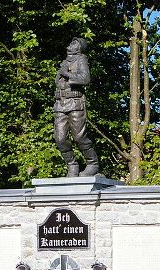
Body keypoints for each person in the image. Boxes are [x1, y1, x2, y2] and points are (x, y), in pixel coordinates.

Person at [54, 37, 99, 177]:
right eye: (71, 41)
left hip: (75, 101)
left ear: (79, 48)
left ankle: (92, 163)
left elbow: (85, 79)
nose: (70, 43)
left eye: (74, 43)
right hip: (60, 103)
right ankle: (71, 165)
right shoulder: (64, 62)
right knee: (60, 138)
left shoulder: (81, 59)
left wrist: (67, 74)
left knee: (79, 137)